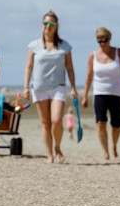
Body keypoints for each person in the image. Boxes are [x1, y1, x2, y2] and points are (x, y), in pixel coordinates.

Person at [23, 10, 78, 163]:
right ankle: (49, 155)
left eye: (51, 24)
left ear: (56, 26)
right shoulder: (34, 45)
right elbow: (29, 67)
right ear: (42, 26)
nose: (48, 27)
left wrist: (73, 87)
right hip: (39, 88)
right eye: (46, 23)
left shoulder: (64, 46)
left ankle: (58, 147)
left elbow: (70, 67)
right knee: (45, 123)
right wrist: (26, 86)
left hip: (58, 87)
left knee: (56, 120)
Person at [81, 27, 120, 160]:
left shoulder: (119, 52)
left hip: (116, 93)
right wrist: (84, 96)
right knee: (101, 122)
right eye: (99, 41)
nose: (102, 43)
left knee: (116, 126)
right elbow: (89, 76)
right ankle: (106, 152)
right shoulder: (93, 55)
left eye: (104, 40)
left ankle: (114, 147)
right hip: (99, 93)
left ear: (109, 39)